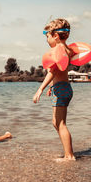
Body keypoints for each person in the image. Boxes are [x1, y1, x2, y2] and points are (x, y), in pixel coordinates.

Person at [33, 18, 75, 161]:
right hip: (63, 88)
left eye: (47, 37)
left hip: (61, 89)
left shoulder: (58, 50)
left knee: (60, 124)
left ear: (55, 36)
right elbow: (61, 72)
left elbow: (53, 71)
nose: (46, 40)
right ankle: (67, 151)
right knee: (56, 122)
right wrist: (52, 86)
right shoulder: (67, 49)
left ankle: (69, 156)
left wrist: (40, 89)